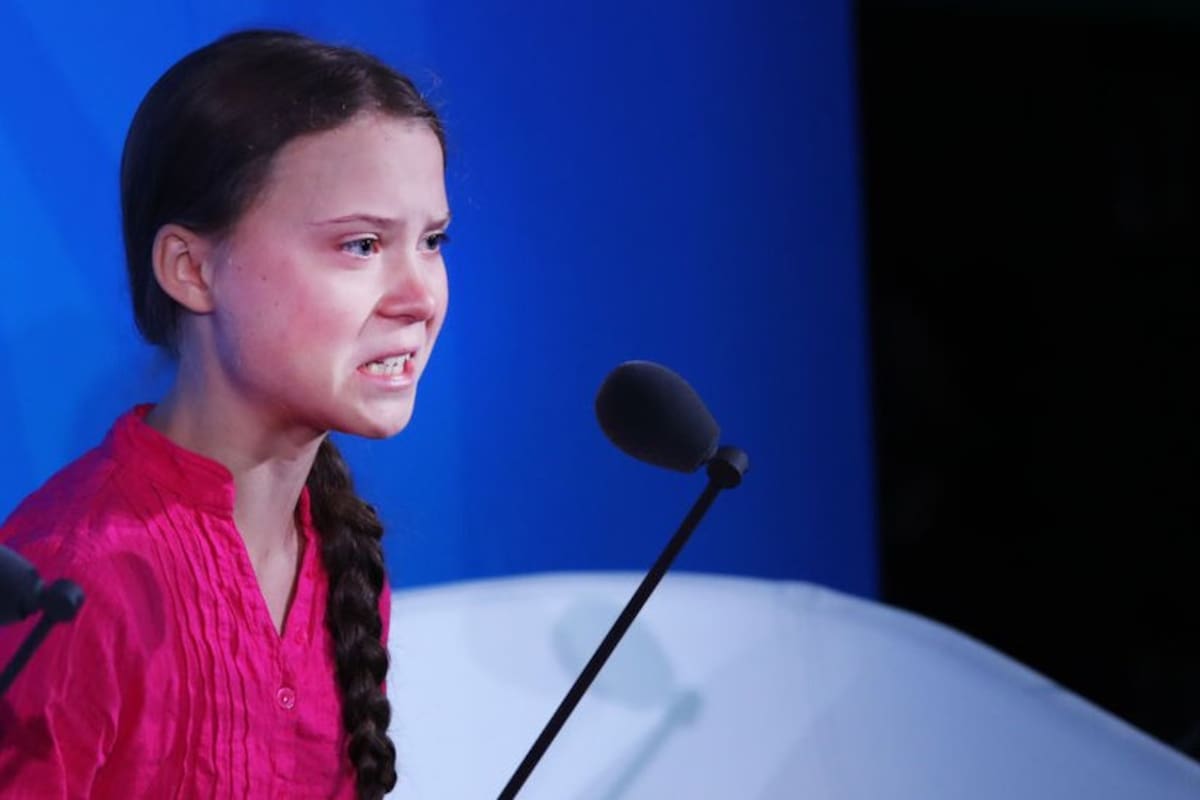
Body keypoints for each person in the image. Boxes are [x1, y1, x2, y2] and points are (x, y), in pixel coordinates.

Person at [0, 29, 450, 799]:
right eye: (361, 244)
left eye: (433, 240)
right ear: (192, 269)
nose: (419, 296)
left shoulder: (341, 559)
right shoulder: (73, 580)